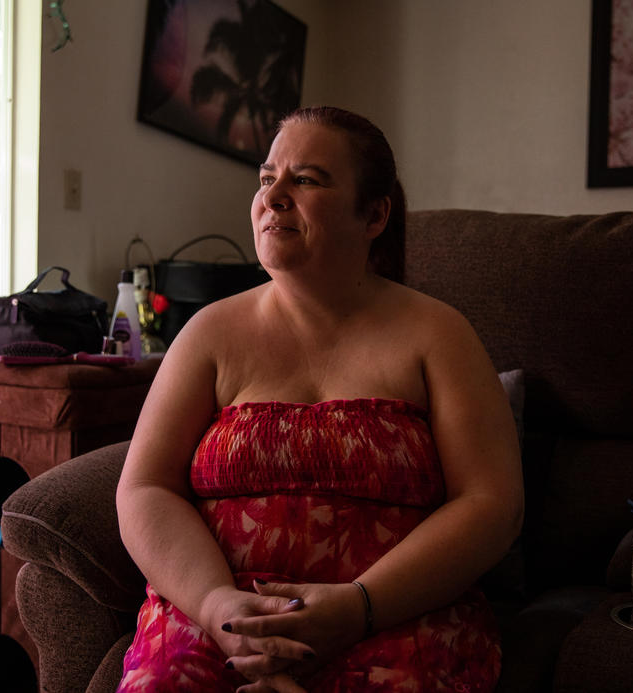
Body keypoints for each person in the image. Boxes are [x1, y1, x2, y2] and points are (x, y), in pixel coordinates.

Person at [115, 106, 524, 692]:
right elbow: (144, 487)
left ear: (375, 215)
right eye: (266, 179)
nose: (274, 195)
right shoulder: (208, 333)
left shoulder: (439, 335)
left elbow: (491, 504)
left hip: (395, 618)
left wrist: (358, 607)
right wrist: (215, 607)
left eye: (305, 179)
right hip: (221, 623)